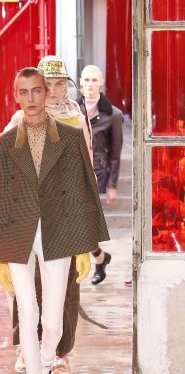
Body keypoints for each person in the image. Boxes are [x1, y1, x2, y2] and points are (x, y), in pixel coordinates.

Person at [0, 67, 109, 374]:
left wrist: (87, 246)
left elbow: (84, 190)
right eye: (24, 92)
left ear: (46, 91)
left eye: (37, 90)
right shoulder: (3, 142)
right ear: (16, 96)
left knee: (52, 322)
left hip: (59, 231)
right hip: (18, 232)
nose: (32, 98)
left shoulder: (70, 136)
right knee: (28, 310)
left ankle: (45, 362)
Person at [5, 55, 93, 374]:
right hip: (29, 214)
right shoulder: (20, 119)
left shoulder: (76, 119)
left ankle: (61, 354)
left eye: (59, 84)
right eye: (48, 84)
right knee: (27, 285)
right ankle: (26, 350)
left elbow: (87, 172)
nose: (54, 91)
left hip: (66, 215)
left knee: (66, 286)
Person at [78, 65, 124, 284]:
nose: (90, 84)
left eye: (94, 80)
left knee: (84, 220)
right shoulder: (71, 111)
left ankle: (95, 260)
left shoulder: (113, 115)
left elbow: (115, 152)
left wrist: (112, 184)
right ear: (80, 83)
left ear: (101, 83)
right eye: (86, 80)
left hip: (97, 172)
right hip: (74, 171)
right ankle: (100, 258)